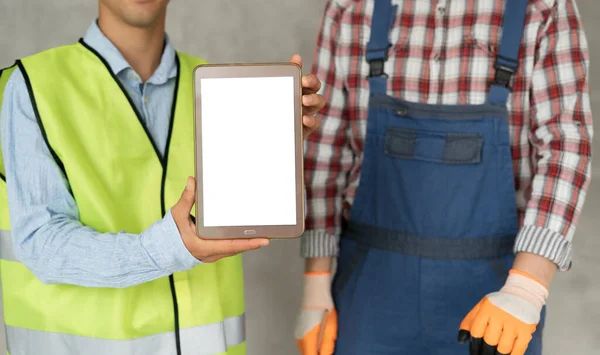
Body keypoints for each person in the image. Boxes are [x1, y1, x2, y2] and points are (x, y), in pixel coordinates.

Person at [0, 1, 325, 354]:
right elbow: (42, 244)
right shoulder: (33, 85)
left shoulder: (218, 83)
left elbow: (250, 210)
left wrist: (276, 149)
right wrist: (166, 249)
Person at [295, 0, 592, 354]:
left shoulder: (543, 8)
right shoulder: (351, 8)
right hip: (370, 294)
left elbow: (565, 145)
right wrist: (316, 283)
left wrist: (528, 286)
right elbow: (326, 150)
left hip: (495, 295)